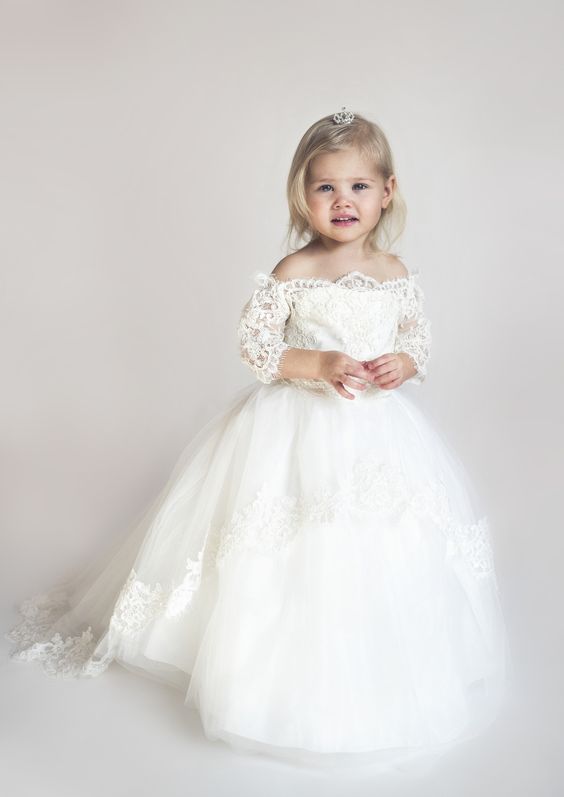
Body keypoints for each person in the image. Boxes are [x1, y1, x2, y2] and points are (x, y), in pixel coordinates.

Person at [5, 107, 513, 774]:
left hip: (378, 435)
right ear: (303, 195)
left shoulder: (395, 271)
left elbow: (418, 338)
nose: (343, 201)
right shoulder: (295, 269)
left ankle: (382, 658)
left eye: (358, 186)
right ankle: (267, 669)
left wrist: (404, 363)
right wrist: (318, 364)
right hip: (296, 424)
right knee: (288, 538)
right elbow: (256, 347)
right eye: (325, 187)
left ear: (387, 191)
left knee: (385, 537)